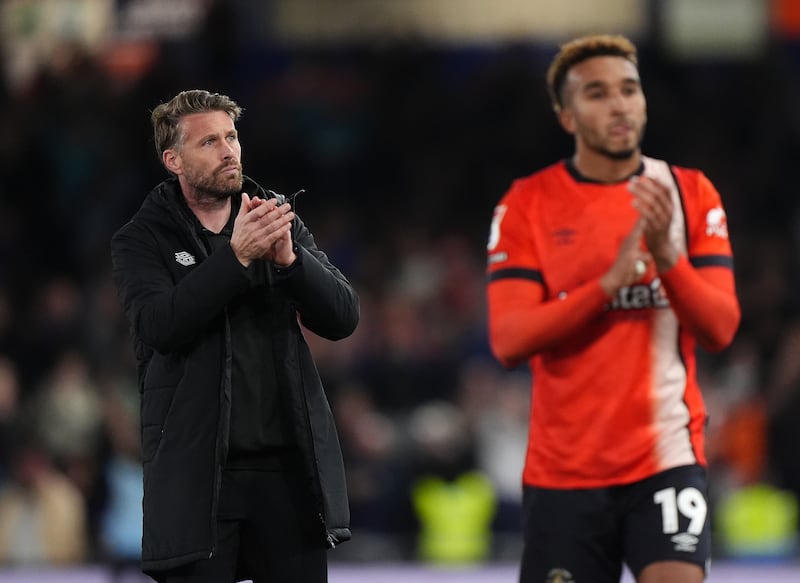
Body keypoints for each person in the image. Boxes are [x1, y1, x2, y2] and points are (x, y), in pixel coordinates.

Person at [485, 34, 740, 583]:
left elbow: (721, 328)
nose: (619, 104)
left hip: (666, 457)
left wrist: (669, 259)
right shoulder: (527, 203)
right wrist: (608, 284)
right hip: (564, 473)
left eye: (629, 89)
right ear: (567, 116)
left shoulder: (689, 193)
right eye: (597, 93)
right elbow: (508, 340)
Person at [110, 89, 359, 583]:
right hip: (198, 477)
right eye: (209, 142)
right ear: (173, 160)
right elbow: (161, 325)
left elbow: (343, 318)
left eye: (232, 137)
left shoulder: (273, 219)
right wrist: (237, 257)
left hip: (287, 475)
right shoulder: (141, 239)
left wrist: (292, 263)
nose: (228, 151)